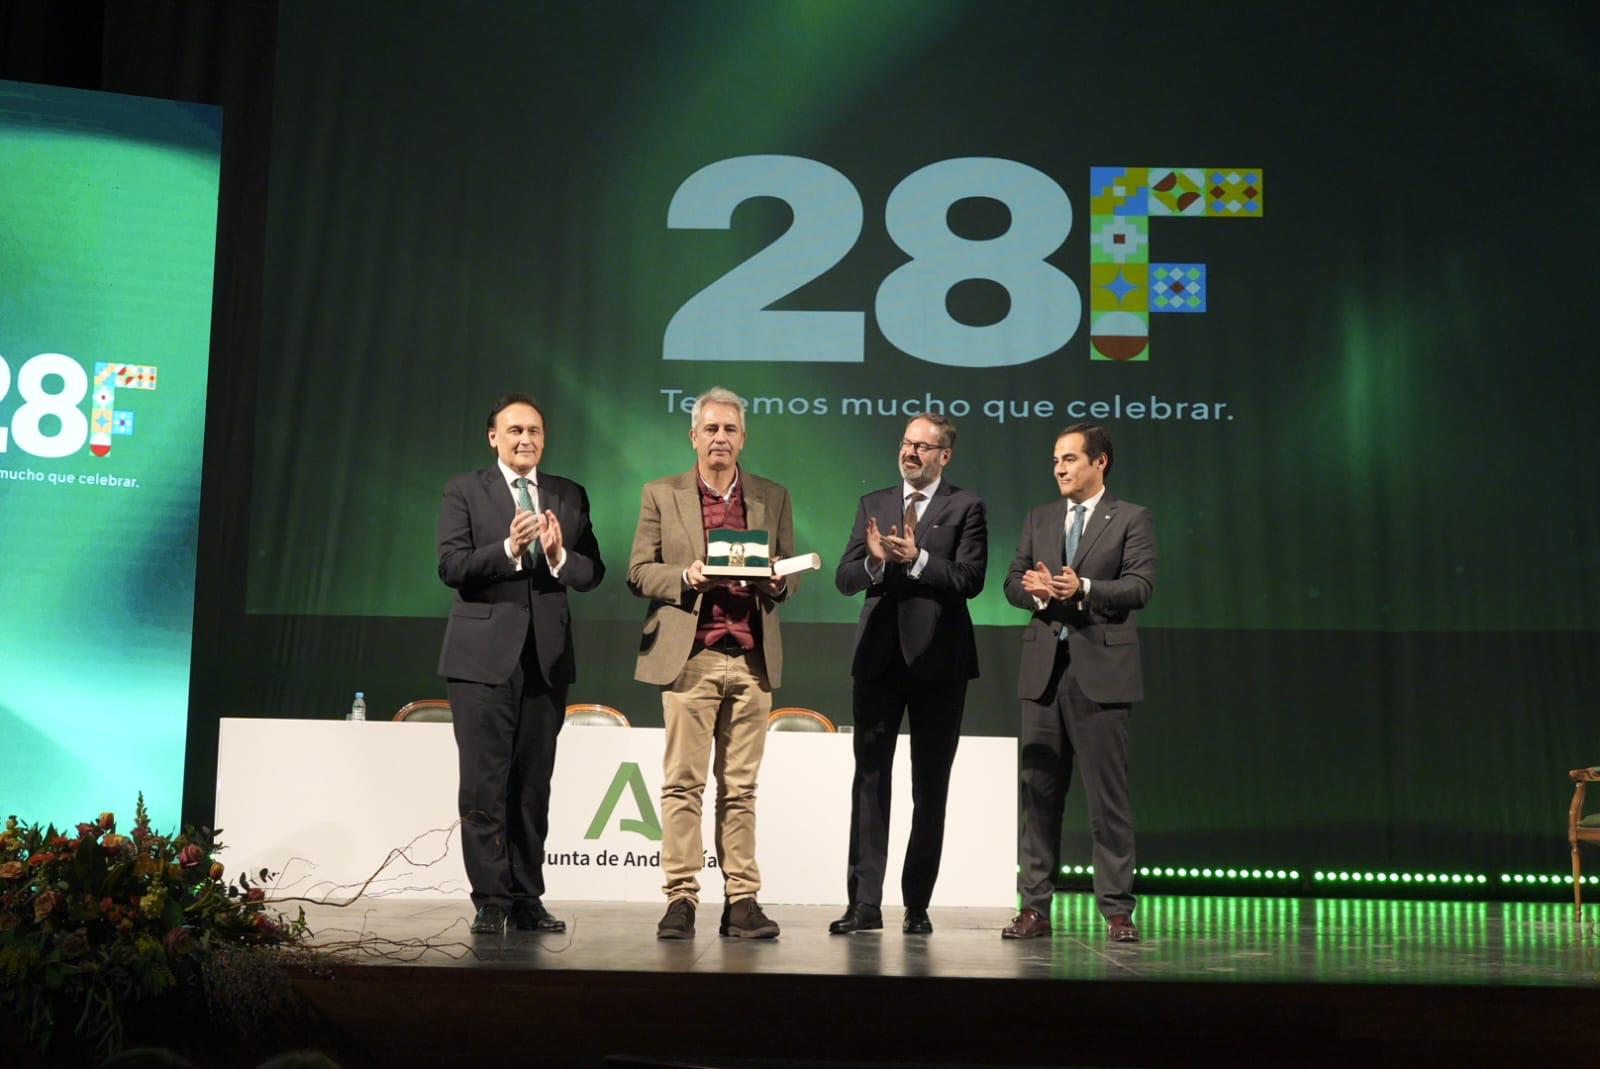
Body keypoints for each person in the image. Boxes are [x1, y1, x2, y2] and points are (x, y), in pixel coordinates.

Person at [627, 387, 795, 940]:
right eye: (711, 429)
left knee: (740, 789)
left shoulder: (772, 495)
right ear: (693, 436)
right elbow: (638, 572)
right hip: (691, 656)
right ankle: (680, 898)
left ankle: (742, 901)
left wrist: (776, 580)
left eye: (730, 429)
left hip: (750, 658)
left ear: (743, 438)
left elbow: (787, 577)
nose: (720, 438)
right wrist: (685, 577)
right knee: (683, 785)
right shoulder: (661, 493)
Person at [436, 393, 604, 935]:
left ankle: (527, 896)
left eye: (534, 430)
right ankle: (491, 898)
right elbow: (451, 566)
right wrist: (508, 549)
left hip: (545, 662)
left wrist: (558, 557)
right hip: (481, 662)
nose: (525, 438)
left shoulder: (568, 495)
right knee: (484, 783)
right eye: (514, 430)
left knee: (533, 785)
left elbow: (593, 572)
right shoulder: (465, 490)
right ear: (494, 438)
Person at [830, 413, 987, 935]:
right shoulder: (873, 504)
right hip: (878, 660)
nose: (910, 452)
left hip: (940, 662)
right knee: (869, 780)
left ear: (945, 455)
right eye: (906, 443)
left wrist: (918, 558)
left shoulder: (966, 506)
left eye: (922, 446)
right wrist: (875, 563)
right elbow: (845, 577)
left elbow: (970, 578)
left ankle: (916, 904)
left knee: (930, 785)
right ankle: (864, 904)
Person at [1000, 423, 1156, 943]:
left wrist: (1084, 587)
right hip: (1044, 671)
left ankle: (1116, 910)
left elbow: (1140, 587)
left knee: (1107, 801)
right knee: (1038, 795)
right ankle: (1034, 909)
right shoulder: (1040, 517)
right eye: (1055, 461)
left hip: (1102, 673)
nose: (1059, 469)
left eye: (1069, 459)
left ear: (1099, 462)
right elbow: (1012, 580)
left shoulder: (1131, 517)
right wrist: (1037, 592)